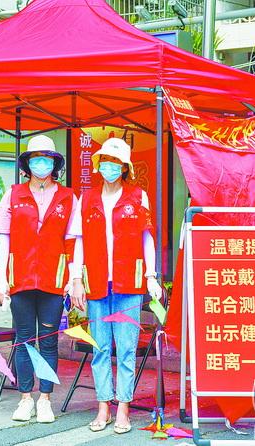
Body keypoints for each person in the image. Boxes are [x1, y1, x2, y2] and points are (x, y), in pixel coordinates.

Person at [68, 138, 162, 434]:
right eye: (105, 161)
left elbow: (147, 237)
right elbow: (79, 241)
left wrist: (151, 275)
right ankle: (103, 406)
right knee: (100, 348)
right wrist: (75, 279)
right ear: (98, 165)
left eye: (115, 162)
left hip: (128, 283)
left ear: (124, 167)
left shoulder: (138, 196)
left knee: (126, 348)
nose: (109, 166)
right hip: (96, 282)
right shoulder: (87, 198)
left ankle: (123, 407)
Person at [0, 135, 77, 423]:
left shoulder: (68, 197)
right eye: (35, 159)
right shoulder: (13, 195)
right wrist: (1, 279)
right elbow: (3, 239)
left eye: (47, 159)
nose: (41, 164)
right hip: (21, 279)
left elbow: (73, 241)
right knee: (24, 340)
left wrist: (73, 277)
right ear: (27, 164)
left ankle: (45, 400)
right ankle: (25, 398)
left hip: (54, 280)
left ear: (55, 164)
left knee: (49, 343)